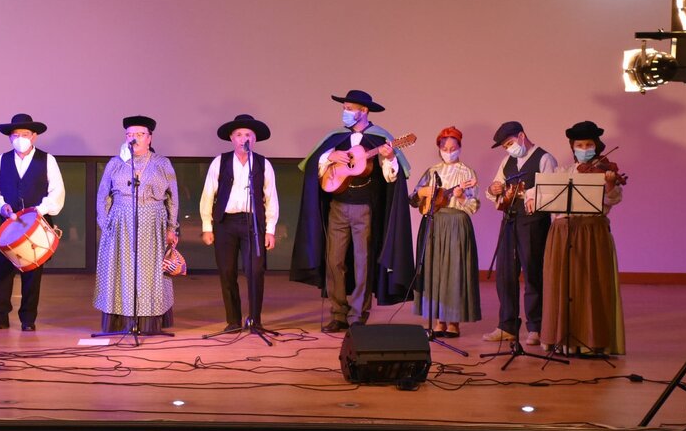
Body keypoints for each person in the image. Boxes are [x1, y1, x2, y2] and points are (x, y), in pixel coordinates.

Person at [290, 89, 414, 333]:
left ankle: (358, 314)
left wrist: (388, 158)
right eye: (344, 108)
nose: (345, 113)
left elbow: (393, 177)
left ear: (364, 111)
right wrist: (329, 155)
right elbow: (315, 166)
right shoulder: (336, 137)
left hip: (365, 208)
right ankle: (338, 313)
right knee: (334, 260)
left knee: (362, 262)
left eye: (350, 108)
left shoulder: (381, 138)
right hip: (337, 206)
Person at [541, 120, 625, 354]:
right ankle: (563, 340)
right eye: (580, 144)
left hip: (592, 232)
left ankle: (590, 342)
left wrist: (609, 183)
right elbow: (548, 199)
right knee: (562, 285)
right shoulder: (563, 172)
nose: (585, 148)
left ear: (597, 146)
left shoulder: (605, 170)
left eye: (589, 144)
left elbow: (613, 200)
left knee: (591, 286)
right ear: (573, 147)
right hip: (562, 232)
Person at [94, 115, 179, 333]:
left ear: (149, 138)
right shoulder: (116, 163)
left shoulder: (162, 163)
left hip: (153, 221)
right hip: (121, 222)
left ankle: (148, 322)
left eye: (139, 134)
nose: (134, 139)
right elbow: (103, 194)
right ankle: (121, 321)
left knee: (150, 272)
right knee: (122, 270)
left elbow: (172, 196)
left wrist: (171, 227)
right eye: (130, 135)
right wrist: (106, 224)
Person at [0, 113, 65, 332]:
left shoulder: (48, 160)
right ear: (10, 138)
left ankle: (28, 318)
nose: (20, 138)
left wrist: (38, 211)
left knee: (32, 272)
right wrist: (2, 206)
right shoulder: (0, 161)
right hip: (8, 224)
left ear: (34, 136)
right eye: (15, 135)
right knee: (2, 271)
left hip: (37, 223)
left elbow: (57, 192)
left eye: (25, 134)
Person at [199, 114, 279, 331]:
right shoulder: (220, 161)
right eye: (239, 134)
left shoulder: (263, 164)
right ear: (232, 138)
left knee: (255, 271)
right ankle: (233, 321)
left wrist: (269, 230)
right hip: (226, 223)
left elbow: (271, 198)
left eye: (249, 135)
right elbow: (208, 195)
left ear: (254, 140)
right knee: (227, 271)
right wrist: (207, 226)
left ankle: (255, 319)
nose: (244, 138)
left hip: (253, 224)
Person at [484, 121, 558, 346]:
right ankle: (507, 325)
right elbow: (495, 188)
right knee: (505, 273)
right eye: (506, 146)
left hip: (534, 222)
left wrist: (529, 193)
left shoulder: (545, 158)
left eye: (510, 143)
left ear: (522, 136)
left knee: (533, 272)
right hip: (510, 220)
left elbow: (552, 192)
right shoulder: (507, 161)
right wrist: (493, 189)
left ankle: (535, 327)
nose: (509, 149)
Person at [409, 126, 481, 337]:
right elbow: (414, 199)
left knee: (455, 270)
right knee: (435, 270)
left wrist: (459, 196)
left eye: (453, 147)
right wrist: (422, 191)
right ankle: (438, 320)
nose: (449, 151)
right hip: (433, 223)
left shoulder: (467, 173)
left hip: (456, 223)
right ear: (439, 148)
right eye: (444, 147)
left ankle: (454, 322)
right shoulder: (432, 171)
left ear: (460, 147)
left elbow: (473, 206)